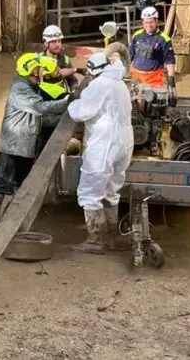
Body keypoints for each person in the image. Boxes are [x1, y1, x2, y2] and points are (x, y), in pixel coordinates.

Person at [0, 53, 77, 230]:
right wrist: (68, 101)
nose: (41, 71)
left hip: (25, 146)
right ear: (30, 70)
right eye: (38, 68)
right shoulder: (20, 88)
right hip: (13, 147)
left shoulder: (31, 87)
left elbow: (38, 119)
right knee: (2, 185)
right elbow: (40, 108)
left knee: (20, 186)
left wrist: (65, 119)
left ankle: (11, 222)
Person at [67, 52, 134, 253]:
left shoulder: (98, 85)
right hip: (125, 141)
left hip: (105, 142)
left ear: (92, 71)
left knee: (90, 191)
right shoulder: (120, 84)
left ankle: (95, 240)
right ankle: (111, 237)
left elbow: (82, 112)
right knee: (112, 190)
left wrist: (72, 102)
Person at [129, 7, 176, 89]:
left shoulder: (164, 39)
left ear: (156, 21)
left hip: (154, 79)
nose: (148, 25)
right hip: (136, 77)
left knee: (153, 100)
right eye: (146, 22)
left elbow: (170, 61)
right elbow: (130, 56)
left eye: (151, 22)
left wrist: (171, 78)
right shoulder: (136, 35)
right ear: (142, 22)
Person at [38, 25, 89, 98]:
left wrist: (74, 90)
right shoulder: (38, 60)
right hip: (43, 98)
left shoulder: (65, 60)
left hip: (62, 97)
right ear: (46, 43)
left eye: (59, 41)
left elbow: (71, 81)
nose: (58, 44)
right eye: (54, 42)